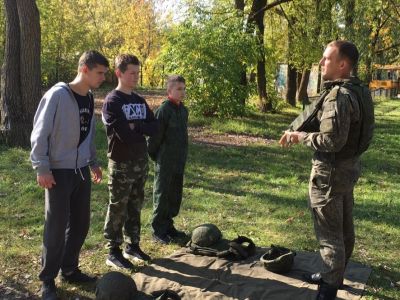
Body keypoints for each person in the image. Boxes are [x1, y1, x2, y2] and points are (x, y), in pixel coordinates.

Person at [279, 41, 374, 300]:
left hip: (330, 173)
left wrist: (301, 138)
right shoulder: (358, 91)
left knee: (330, 234)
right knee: (343, 228)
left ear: (342, 65)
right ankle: (335, 276)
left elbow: (332, 141)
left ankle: (328, 290)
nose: (321, 64)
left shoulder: (339, 96)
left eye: (326, 59)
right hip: (348, 169)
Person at [30, 50, 109, 300]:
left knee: (80, 224)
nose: (103, 78)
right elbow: (39, 133)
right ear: (84, 69)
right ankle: (47, 279)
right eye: (100, 73)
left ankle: (70, 269)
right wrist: (42, 167)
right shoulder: (57, 95)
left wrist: (93, 162)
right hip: (57, 172)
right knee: (55, 227)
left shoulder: (89, 97)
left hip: (81, 171)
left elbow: (88, 133)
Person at [102, 54, 158, 269]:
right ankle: (113, 251)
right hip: (121, 163)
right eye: (131, 73)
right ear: (119, 73)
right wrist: (138, 128)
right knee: (118, 206)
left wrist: (139, 127)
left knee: (135, 204)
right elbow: (124, 134)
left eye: (138, 72)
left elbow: (155, 127)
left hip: (140, 162)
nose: (136, 77)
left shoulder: (139, 100)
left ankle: (132, 245)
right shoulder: (112, 101)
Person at [148, 75, 189, 244]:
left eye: (184, 89)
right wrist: (156, 156)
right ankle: (158, 229)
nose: (182, 92)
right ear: (169, 91)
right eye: (178, 89)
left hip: (179, 160)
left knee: (174, 194)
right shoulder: (164, 110)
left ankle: (168, 225)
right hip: (165, 161)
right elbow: (154, 138)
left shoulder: (183, 110)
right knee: (162, 194)